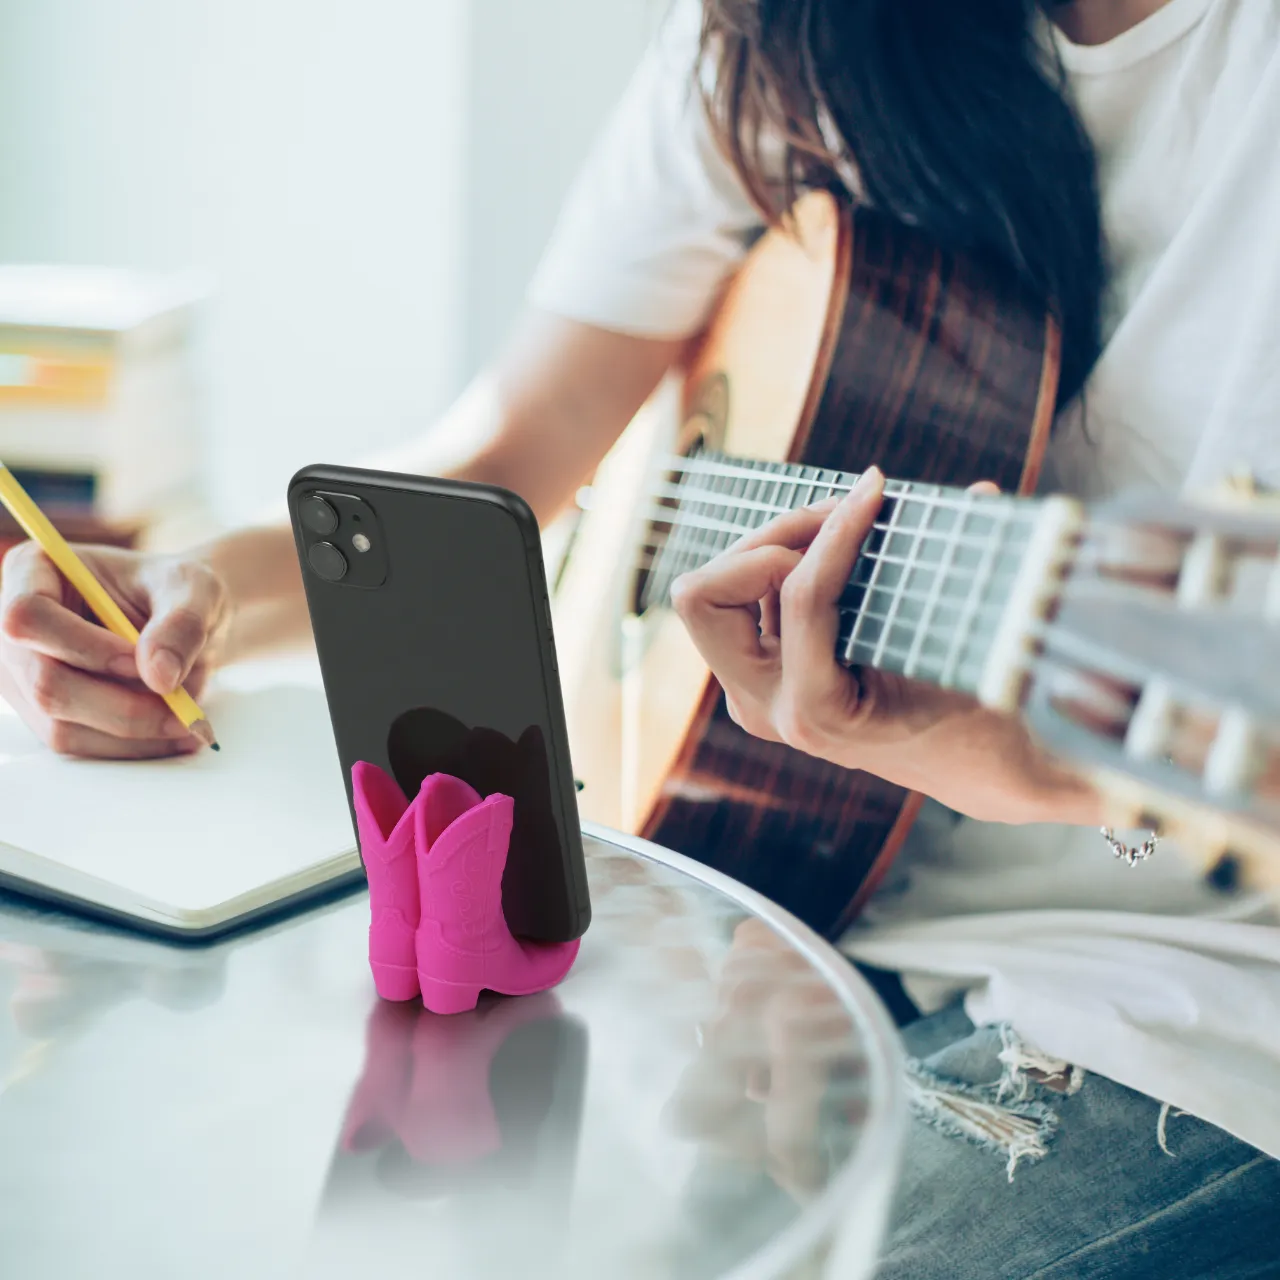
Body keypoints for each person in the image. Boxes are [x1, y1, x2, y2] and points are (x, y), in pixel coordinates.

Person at [2, 0, 1278, 1272]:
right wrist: (200, 587)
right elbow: (517, 457)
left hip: (1186, 987)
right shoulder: (783, 34)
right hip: (773, 898)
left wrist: (1055, 772)